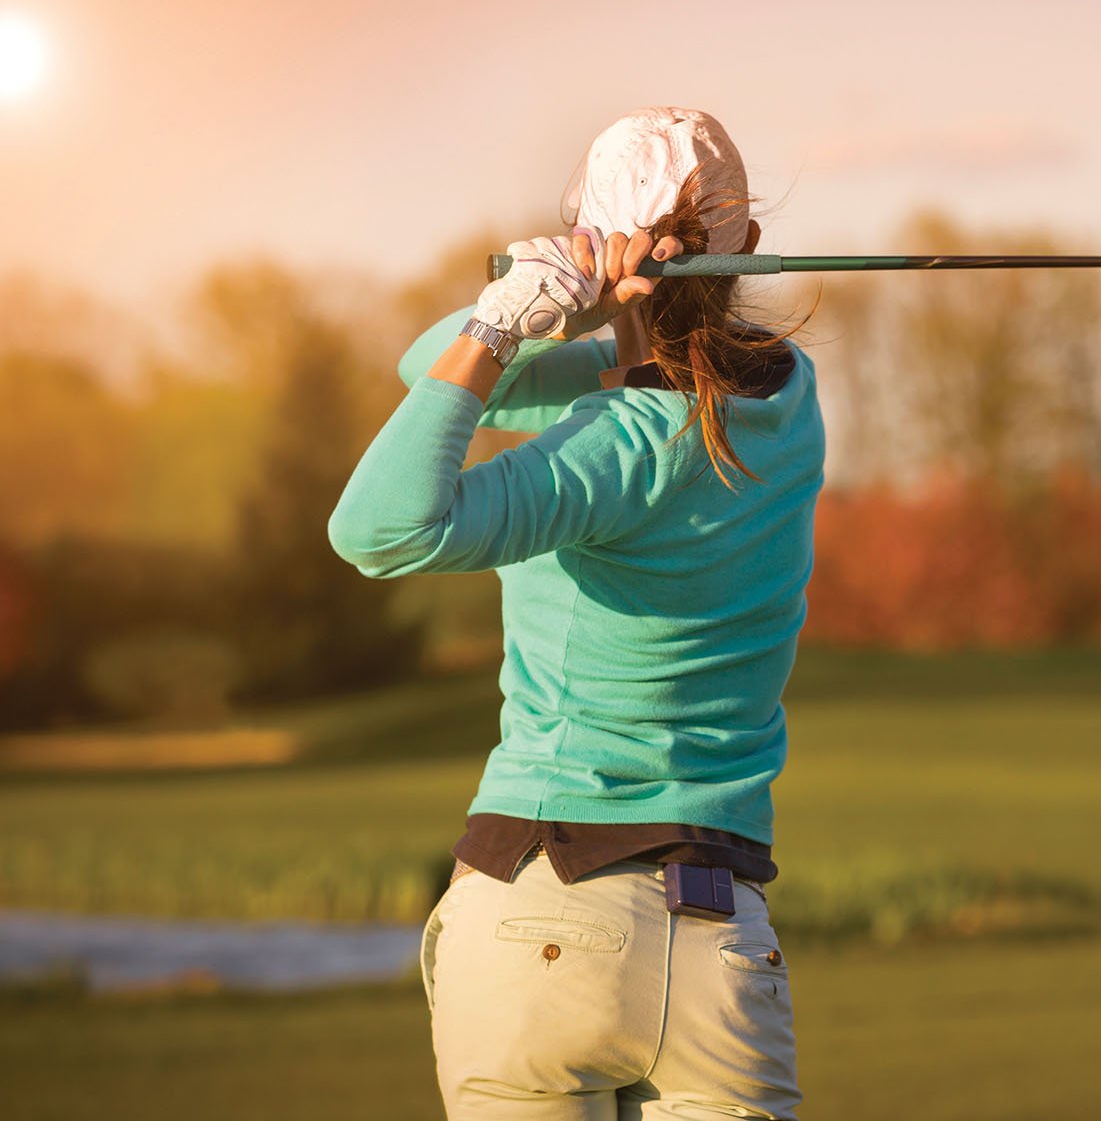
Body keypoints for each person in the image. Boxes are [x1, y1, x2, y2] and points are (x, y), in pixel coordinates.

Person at [329, 106, 822, 1120]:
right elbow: (425, 366)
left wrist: (515, 312)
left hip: (542, 906)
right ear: (750, 251)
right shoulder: (790, 402)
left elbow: (378, 528)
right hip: (724, 944)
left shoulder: (613, 445)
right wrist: (604, 319)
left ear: (584, 234)